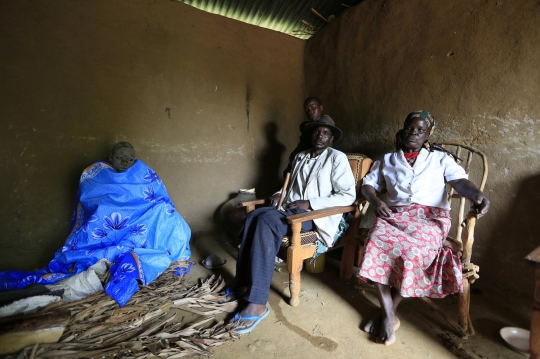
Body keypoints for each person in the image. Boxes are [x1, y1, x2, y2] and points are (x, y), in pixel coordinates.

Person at [0, 142, 191, 306]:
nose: (125, 162)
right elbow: (94, 205)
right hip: (107, 229)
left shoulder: (144, 174)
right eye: (120, 157)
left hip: (142, 227)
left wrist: (156, 212)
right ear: (110, 157)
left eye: (130, 159)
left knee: (169, 218)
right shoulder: (96, 176)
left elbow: (160, 200)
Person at [357, 111, 490, 345]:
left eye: (420, 130)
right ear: (402, 130)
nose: (413, 133)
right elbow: (369, 185)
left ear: (428, 134)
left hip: (430, 218)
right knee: (374, 242)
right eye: (410, 128)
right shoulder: (388, 160)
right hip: (394, 215)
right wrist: (377, 202)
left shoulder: (440, 159)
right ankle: (389, 315)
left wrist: (476, 195)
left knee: (413, 251)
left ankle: (386, 314)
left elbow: (459, 182)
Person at [231, 116, 356, 334]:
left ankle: (258, 303)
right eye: (317, 131)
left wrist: (310, 203)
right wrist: (279, 193)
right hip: (290, 208)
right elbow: (290, 188)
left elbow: (347, 195)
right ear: (311, 134)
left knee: (266, 221)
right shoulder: (301, 156)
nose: (320, 136)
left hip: (315, 215)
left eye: (326, 133)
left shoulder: (337, 158)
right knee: (252, 217)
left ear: (331, 138)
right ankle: (243, 283)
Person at [283, 97, 327, 176]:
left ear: (321, 108)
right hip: (297, 162)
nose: (310, 112)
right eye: (307, 110)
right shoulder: (307, 126)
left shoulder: (325, 125)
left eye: (313, 108)